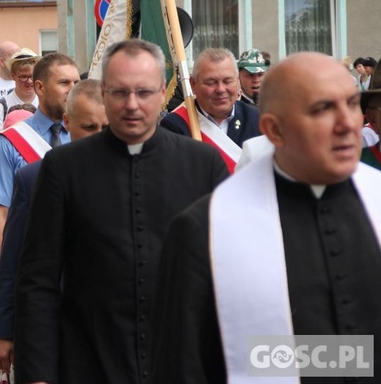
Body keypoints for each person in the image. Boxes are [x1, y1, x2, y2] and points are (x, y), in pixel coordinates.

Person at [152, 51, 381, 382]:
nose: (348, 124)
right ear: (274, 130)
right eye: (322, 109)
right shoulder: (205, 231)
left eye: (351, 104)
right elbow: (182, 365)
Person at [13, 40, 229, 383]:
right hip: (90, 359)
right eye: (119, 92)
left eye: (143, 92)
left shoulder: (204, 164)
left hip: (182, 362)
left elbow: (227, 275)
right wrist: (37, 373)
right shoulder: (63, 168)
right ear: (105, 93)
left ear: (162, 93)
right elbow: (38, 279)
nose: (132, 105)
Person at [0, 79, 108, 377]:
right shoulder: (34, 178)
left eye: (106, 128)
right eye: (89, 127)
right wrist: (3, 330)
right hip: (52, 326)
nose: (98, 137)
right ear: (68, 123)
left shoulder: (138, 177)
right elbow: (13, 259)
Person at [0, 52, 80, 267]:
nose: (72, 89)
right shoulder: (10, 141)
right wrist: (3, 275)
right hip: (32, 261)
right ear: (40, 87)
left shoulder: (86, 134)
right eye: (64, 82)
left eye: (76, 82)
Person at [161, 47, 261, 172]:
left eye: (227, 81)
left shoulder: (257, 120)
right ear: (193, 84)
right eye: (211, 82)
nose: (220, 89)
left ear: (237, 81)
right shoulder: (175, 126)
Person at [0, 49, 40, 158]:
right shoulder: (0, 107)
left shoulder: (45, 103)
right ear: (13, 76)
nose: (29, 81)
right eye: (23, 76)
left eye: (32, 76)